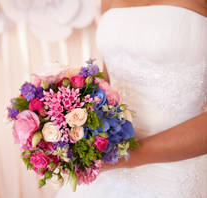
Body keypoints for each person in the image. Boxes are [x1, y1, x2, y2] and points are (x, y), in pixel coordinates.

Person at [55, 0, 207, 197]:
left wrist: (125, 156)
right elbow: (109, 84)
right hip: (107, 168)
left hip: (173, 172)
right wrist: (68, 123)